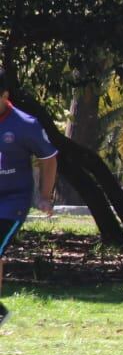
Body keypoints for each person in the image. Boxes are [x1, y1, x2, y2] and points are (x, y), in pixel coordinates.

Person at [0, 71, 59, 326]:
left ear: (5, 95)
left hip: (13, 200)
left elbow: (48, 160)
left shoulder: (25, 124)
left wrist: (45, 197)